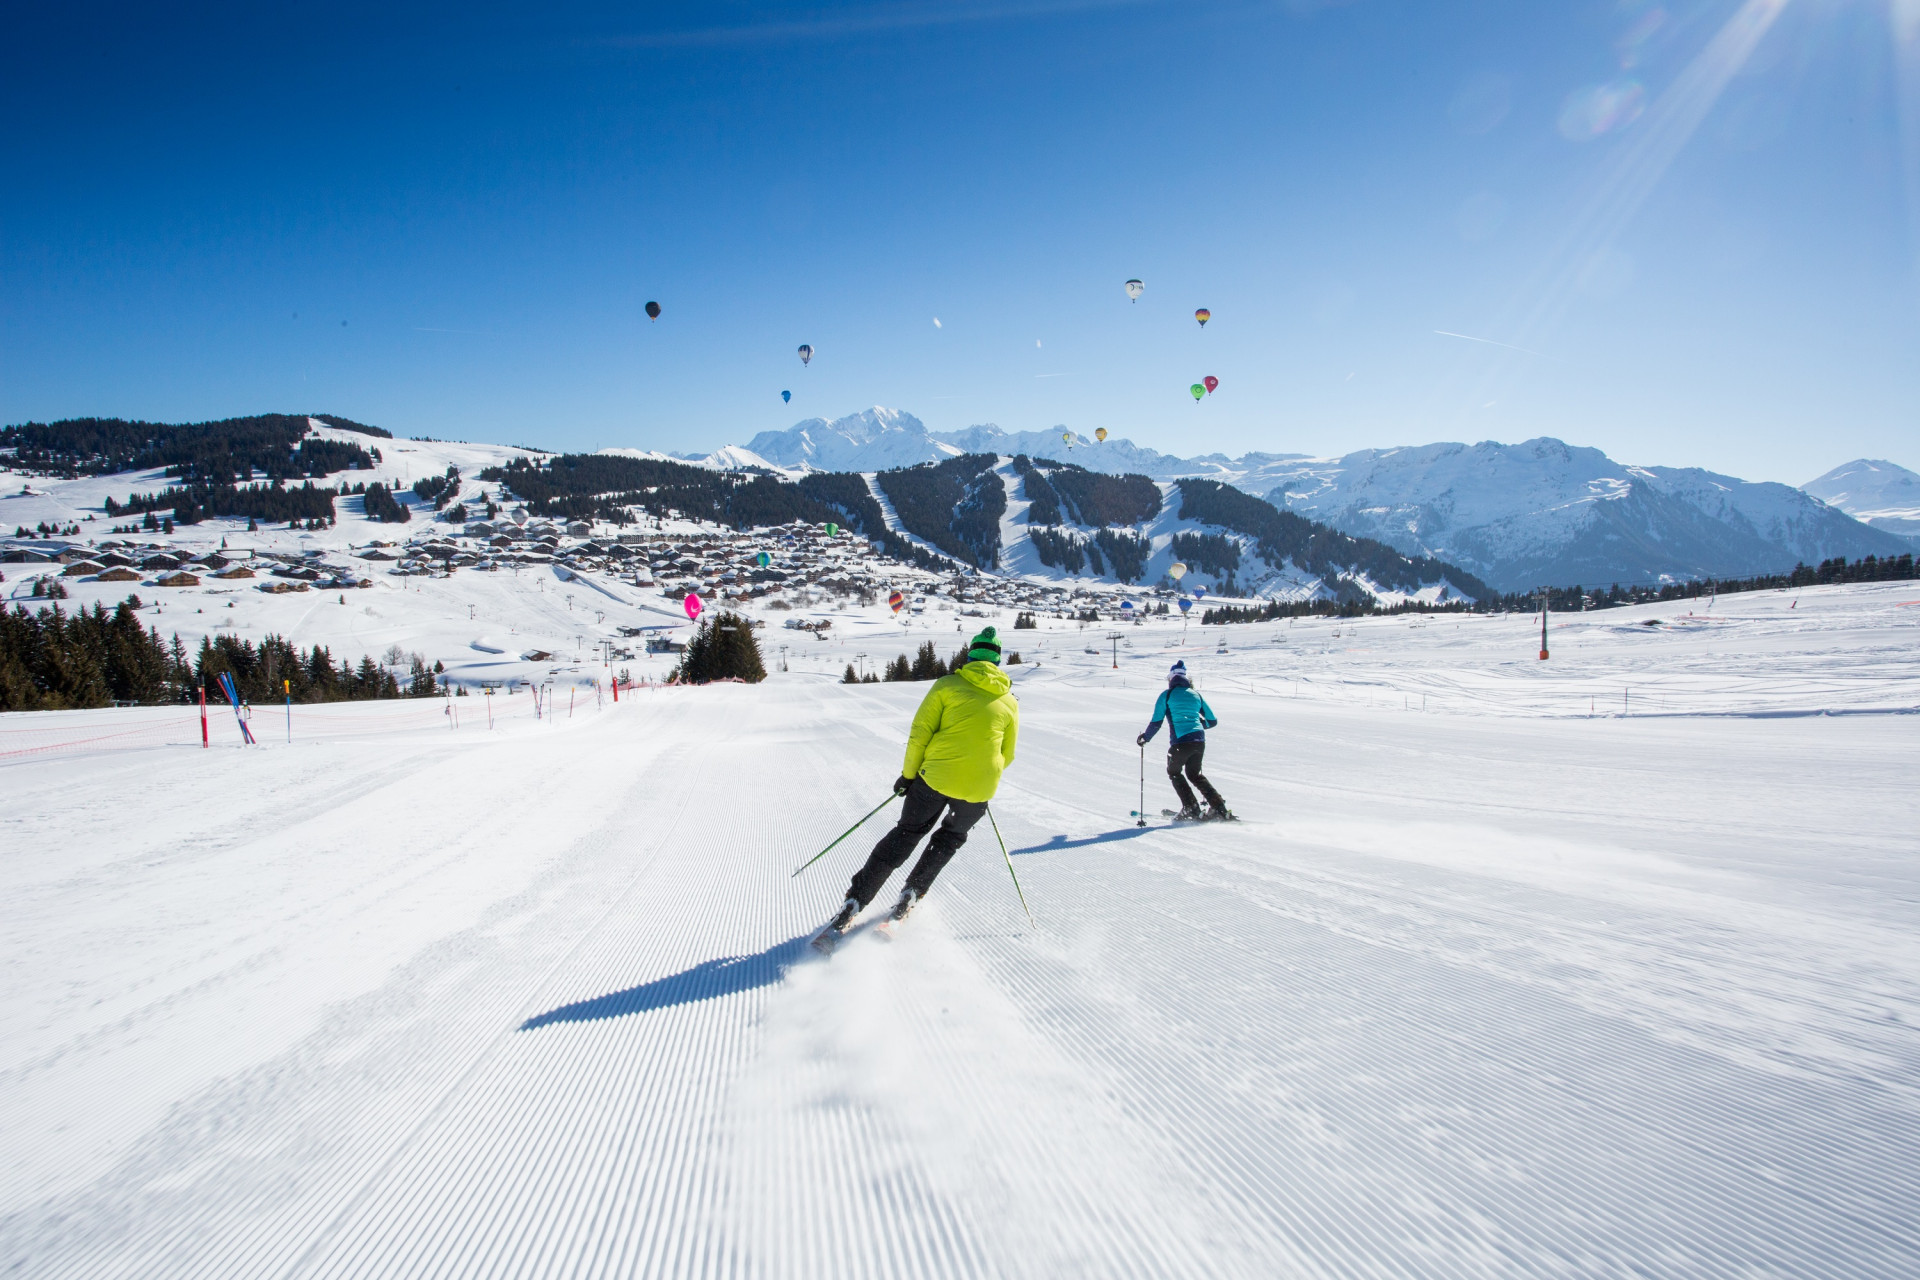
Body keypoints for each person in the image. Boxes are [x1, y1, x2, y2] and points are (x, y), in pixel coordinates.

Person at [820, 626, 1019, 942]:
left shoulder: (947, 685)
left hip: (935, 778)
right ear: (997, 661)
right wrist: (980, 778)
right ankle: (910, 895)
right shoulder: (1009, 700)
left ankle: (854, 902)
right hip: (978, 789)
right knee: (949, 839)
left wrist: (908, 776)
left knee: (907, 833)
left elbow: (920, 735)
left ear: (971, 655)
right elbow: (1007, 754)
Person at [1138, 660, 1230, 821]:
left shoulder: (1166, 696)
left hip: (1181, 742)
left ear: (1171, 678)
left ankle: (1190, 807)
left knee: (1174, 772)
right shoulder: (1196, 695)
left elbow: (1156, 722)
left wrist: (1145, 738)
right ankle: (1219, 807)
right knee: (1194, 775)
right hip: (1199, 741)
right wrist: (1197, 725)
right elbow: (1212, 721)